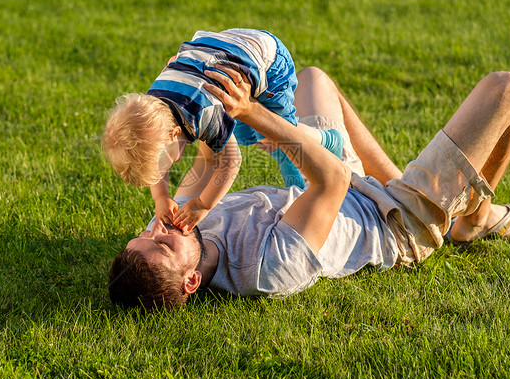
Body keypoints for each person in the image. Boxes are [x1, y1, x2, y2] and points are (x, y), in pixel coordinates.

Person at [108, 65, 510, 310]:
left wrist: (191, 113)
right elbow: (331, 179)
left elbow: (210, 161)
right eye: (161, 246)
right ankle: (471, 219)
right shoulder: (266, 269)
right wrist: (254, 114)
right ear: (190, 282)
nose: (158, 230)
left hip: (343, 186)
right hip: (396, 224)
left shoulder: (178, 225)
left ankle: (416, 185)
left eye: (146, 234)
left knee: (314, 80)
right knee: (507, 90)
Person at [102, 29, 344, 233]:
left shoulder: (206, 113)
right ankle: (281, 147)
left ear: (174, 134)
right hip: (221, 46)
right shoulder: (153, 106)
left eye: (165, 166)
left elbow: (230, 163)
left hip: (269, 58)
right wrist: (161, 198)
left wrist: (202, 205)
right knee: (246, 134)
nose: (166, 170)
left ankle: (326, 142)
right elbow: (157, 163)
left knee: (278, 134)